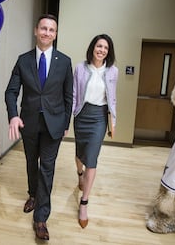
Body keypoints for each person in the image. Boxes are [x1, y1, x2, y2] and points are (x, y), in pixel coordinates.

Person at [4, 14, 73, 240]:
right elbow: (11, 91)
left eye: (51, 30)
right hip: (29, 123)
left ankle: (41, 218)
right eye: (43, 28)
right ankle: (33, 194)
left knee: (47, 168)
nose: (47, 33)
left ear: (55, 34)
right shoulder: (23, 60)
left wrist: (65, 123)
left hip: (54, 124)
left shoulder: (64, 61)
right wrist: (13, 116)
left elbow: (68, 96)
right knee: (31, 163)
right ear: (36, 31)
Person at [72, 34, 118, 228]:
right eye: (99, 46)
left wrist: (113, 121)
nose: (102, 50)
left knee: (92, 158)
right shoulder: (80, 68)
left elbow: (113, 97)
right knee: (79, 154)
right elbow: (74, 93)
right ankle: (79, 174)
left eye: (105, 48)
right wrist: (69, 118)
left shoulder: (113, 71)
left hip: (99, 117)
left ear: (109, 52)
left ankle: (84, 202)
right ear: (93, 48)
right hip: (81, 115)